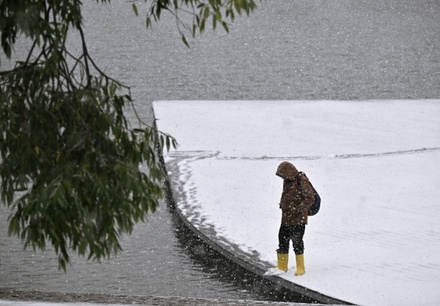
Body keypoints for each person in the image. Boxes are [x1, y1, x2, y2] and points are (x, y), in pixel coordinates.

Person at [275, 161, 314, 276]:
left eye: (283, 174)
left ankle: (300, 267)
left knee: (297, 241)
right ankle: (282, 266)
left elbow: (310, 197)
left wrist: (297, 209)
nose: (282, 177)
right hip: (286, 217)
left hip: (298, 218)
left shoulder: (301, 180)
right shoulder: (287, 181)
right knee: (282, 239)